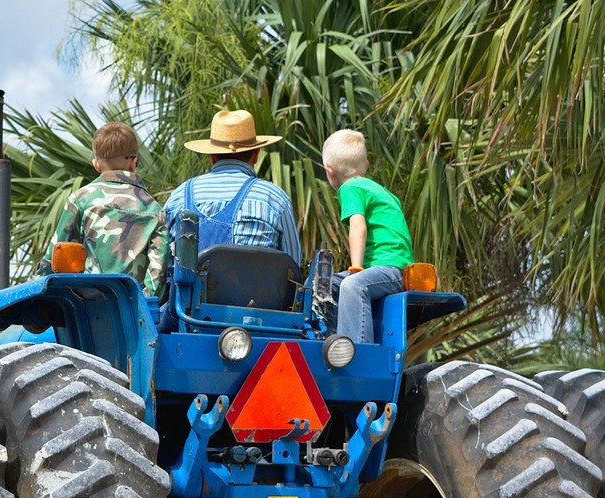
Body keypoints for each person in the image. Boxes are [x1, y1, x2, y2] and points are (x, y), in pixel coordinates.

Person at [38, 122, 166, 296]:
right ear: (134, 162)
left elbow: (53, 258)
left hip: (87, 307)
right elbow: (159, 271)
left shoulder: (80, 199)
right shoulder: (154, 209)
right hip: (136, 311)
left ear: (96, 165)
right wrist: (146, 302)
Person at [163, 110, 301, 266]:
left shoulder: (179, 196)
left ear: (212, 156)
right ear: (256, 154)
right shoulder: (274, 199)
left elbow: (161, 264)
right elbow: (292, 266)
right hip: (255, 290)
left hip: (188, 291)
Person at [321, 128, 413, 345]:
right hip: (386, 268)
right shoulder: (378, 190)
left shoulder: (350, 188)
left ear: (329, 171)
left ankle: (353, 353)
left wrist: (355, 267)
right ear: (366, 166)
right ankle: (330, 344)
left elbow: (358, 227)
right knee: (323, 286)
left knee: (353, 285)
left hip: (391, 268)